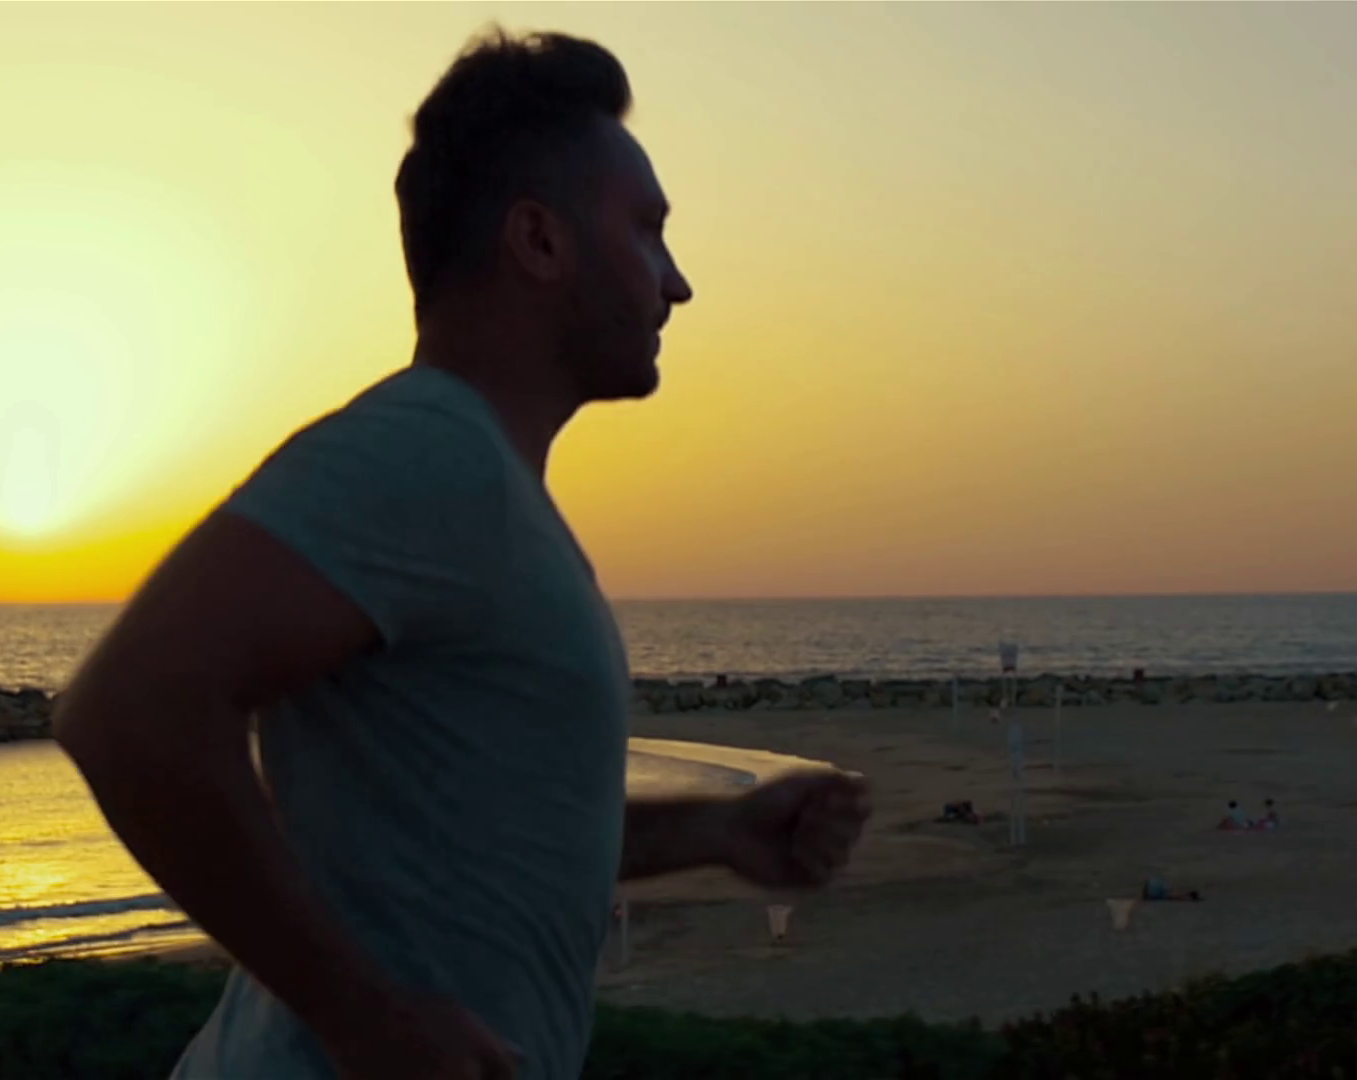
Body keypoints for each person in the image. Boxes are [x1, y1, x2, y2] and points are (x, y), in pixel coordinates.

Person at [51, 28, 872, 1080]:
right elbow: (125, 713)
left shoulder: (487, 492)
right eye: (648, 231)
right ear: (539, 241)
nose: (677, 285)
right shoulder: (426, 455)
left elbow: (489, 840)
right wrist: (362, 1017)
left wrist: (718, 831)